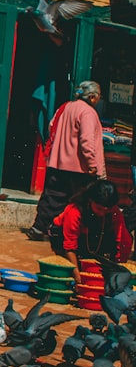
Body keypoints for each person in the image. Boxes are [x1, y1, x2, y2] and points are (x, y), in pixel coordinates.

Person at [23, 81, 105, 241]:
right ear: (93, 97)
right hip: (79, 168)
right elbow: (86, 141)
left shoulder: (66, 107)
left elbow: (51, 126)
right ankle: (72, 234)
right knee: (79, 203)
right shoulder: (88, 112)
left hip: (59, 163)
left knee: (52, 198)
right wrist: (92, 164)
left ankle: (39, 228)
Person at [49, 179, 132, 285]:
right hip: (62, 238)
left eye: (106, 210)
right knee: (67, 274)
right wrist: (78, 278)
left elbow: (123, 241)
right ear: (90, 200)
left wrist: (118, 271)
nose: (102, 213)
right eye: (99, 209)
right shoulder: (74, 211)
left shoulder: (114, 213)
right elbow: (69, 247)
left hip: (94, 238)